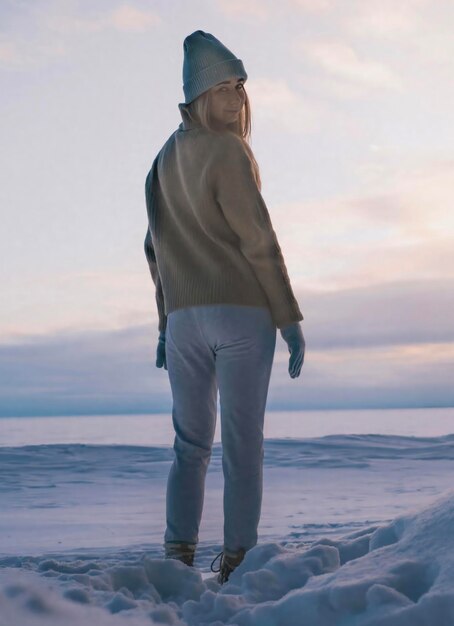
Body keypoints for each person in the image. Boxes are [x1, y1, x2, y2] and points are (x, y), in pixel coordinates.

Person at [144, 30, 305, 584]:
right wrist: (289, 317)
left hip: (185, 320)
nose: (236, 96)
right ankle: (236, 561)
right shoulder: (229, 149)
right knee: (241, 445)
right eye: (224, 86)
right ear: (200, 92)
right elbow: (258, 239)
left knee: (189, 447)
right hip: (240, 312)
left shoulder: (159, 164)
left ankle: (177, 556)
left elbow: (155, 250)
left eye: (240, 85)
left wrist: (166, 326)